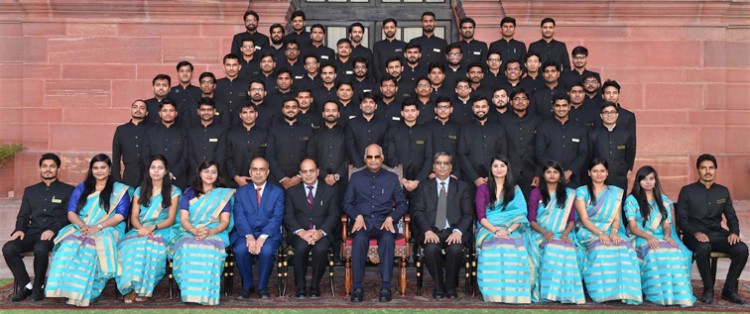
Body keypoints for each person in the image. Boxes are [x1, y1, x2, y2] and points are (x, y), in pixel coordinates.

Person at [45, 154, 131, 306]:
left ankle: (86, 293)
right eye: (96, 168)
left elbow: (120, 215)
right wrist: (82, 226)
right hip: (82, 226)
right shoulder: (83, 187)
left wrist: (97, 227)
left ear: (109, 170)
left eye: (103, 167)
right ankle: (68, 289)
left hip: (109, 228)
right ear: (91, 170)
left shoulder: (119, 190)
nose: (99, 171)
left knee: (91, 247)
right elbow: (71, 212)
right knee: (69, 244)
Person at [676, 154, 748, 304]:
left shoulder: (723, 192)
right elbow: (682, 220)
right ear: (698, 170)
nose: (708, 171)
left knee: (742, 249)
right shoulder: (687, 191)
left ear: (715, 170)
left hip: (717, 234)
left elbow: (731, 217)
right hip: (694, 235)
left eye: (711, 168)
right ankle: (708, 289)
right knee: (703, 247)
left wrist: (734, 232)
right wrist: (696, 233)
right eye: (703, 168)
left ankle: (728, 289)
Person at [4, 153, 74, 302]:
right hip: (32, 232)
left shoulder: (68, 190)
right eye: (45, 166)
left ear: (58, 169)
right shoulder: (30, 190)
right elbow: (23, 215)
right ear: (40, 169)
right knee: (9, 248)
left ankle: (38, 287)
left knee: (41, 249)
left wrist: (53, 230)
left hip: (54, 233)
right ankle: (26, 285)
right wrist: (20, 229)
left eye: (52, 166)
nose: (48, 169)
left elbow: (68, 216)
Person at [344, 144, 408, 303]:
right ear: (365, 158)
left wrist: (391, 218)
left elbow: (402, 204)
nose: (373, 160)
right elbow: (346, 203)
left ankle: (386, 287)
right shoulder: (356, 178)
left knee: (387, 240)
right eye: (370, 157)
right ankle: (357, 287)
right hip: (363, 223)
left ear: (382, 158)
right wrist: (356, 215)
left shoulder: (391, 178)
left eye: (377, 157)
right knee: (359, 240)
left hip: (383, 223)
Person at [573, 158, 642, 304]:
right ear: (589, 173)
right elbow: (584, 220)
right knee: (601, 247)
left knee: (623, 247)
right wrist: (600, 234)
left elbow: (616, 218)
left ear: (607, 173)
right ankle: (602, 293)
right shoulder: (581, 191)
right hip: (588, 229)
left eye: (602, 171)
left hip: (610, 229)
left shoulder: (614, 192)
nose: (599, 174)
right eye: (595, 171)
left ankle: (624, 292)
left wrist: (615, 232)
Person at [624, 166, 695, 307]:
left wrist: (668, 236)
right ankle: (658, 294)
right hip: (639, 237)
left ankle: (676, 295)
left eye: (651, 178)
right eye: (644, 179)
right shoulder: (632, 200)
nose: (648, 182)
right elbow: (632, 227)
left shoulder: (663, 200)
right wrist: (648, 237)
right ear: (638, 182)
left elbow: (667, 226)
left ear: (656, 181)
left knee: (674, 252)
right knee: (655, 251)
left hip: (660, 237)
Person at [116, 155, 181, 303]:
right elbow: (134, 217)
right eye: (153, 167)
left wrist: (152, 228)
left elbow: (171, 219)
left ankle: (145, 289)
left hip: (163, 229)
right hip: (140, 228)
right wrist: (142, 229)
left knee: (151, 246)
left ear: (165, 171)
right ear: (148, 170)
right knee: (130, 245)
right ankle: (131, 287)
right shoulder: (140, 190)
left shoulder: (174, 191)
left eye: (160, 168)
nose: (156, 171)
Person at [171, 160, 234, 305]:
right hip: (189, 231)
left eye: (213, 172)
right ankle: (189, 294)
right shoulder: (188, 193)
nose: (209, 175)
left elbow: (225, 221)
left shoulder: (223, 195)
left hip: (214, 232)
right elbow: (184, 218)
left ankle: (206, 295)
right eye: (206, 171)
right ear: (199, 173)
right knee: (187, 248)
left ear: (218, 175)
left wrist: (211, 231)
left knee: (210, 249)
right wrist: (193, 230)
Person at [412, 152, 472, 299]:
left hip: (454, 231)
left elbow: (468, 213)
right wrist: (426, 230)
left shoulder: (462, 187)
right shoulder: (424, 187)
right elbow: (418, 211)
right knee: (431, 249)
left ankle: (451, 287)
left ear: (451, 167)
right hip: (432, 231)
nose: (442, 166)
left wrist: (458, 232)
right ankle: (439, 286)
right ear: (434, 167)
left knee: (455, 249)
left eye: (446, 163)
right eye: (439, 163)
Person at [524, 160, 584, 304]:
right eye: (548, 172)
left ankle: (562, 294)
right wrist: (544, 232)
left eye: (555, 172)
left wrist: (565, 234)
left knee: (568, 249)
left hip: (562, 233)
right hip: (539, 232)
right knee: (550, 247)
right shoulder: (536, 193)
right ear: (543, 175)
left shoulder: (568, 194)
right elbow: (531, 220)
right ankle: (546, 293)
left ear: (560, 175)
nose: (552, 175)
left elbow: (571, 220)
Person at [474, 155, 530, 303]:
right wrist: (496, 231)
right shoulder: (483, 189)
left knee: (514, 246)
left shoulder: (515, 189)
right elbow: (481, 217)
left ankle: (514, 293)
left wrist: (509, 230)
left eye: (502, 166)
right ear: (490, 169)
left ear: (507, 168)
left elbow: (520, 215)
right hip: (488, 228)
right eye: (495, 166)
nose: (499, 169)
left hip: (511, 229)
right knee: (498, 245)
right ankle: (494, 294)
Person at [284, 159, 339, 299]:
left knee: (320, 250)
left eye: (311, 171)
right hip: (299, 234)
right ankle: (301, 287)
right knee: (301, 249)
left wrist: (320, 232)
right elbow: (288, 216)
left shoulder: (329, 190)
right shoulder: (292, 191)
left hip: (322, 234)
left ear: (318, 172)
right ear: (300, 174)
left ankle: (315, 286)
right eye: (305, 171)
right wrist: (301, 232)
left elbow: (334, 215)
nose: (308, 174)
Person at [231, 157, 285, 299]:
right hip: (245, 233)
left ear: (268, 172)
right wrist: (249, 236)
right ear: (250, 171)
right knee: (240, 249)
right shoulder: (241, 192)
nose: (258, 173)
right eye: (255, 169)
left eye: (262, 169)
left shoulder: (277, 192)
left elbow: (277, 218)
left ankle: (262, 287)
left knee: (266, 250)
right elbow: (239, 216)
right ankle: (247, 286)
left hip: (269, 234)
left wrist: (262, 237)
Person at [142, 100, 189, 189]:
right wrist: (157, 172)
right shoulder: (150, 132)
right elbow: (145, 156)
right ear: (160, 113)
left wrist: (172, 173)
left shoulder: (183, 132)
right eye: (165, 111)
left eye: (171, 111)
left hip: (178, 180)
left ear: (176, 113)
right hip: (154, 179)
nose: (168, 113)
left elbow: (186, 157)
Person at [112, 99, 148, 188]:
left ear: (146, 112)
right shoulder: (121, 130)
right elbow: (116, 158)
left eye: (142, 108)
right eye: (135, 107)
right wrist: (117, 181)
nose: (138, 110)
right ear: (131, 110)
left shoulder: (153, 130)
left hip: (149, 178)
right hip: (128, 178)